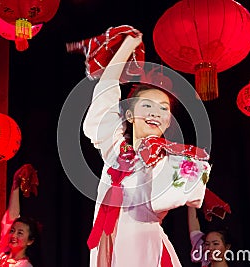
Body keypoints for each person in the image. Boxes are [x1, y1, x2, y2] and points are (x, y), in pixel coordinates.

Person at [83, 30, 212, 267]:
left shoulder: (168, 160)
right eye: (147, 105)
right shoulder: (115, 149)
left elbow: (166, 196)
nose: (155, 112)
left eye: (163, 108)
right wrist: (127, 46)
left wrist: (154, 160)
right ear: (130, 115)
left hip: (145, 251)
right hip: (108, 249)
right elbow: (106, 87)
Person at [0, 164, 41, 267]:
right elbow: (11, 217)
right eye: (12, 231)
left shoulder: (24, 265)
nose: (13, 235)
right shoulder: (4, 254)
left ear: (30, 241)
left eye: (20, 233)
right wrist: (15, 183)